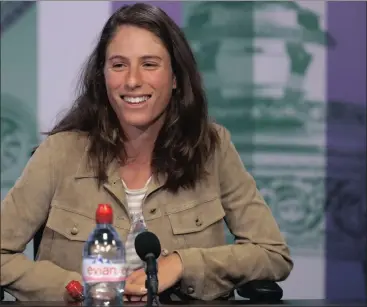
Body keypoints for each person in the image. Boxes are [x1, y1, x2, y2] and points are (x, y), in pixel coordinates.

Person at [0, 2, 293, 302]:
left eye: (149, 64)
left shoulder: (213, 149)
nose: (132, 80)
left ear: (176, 78)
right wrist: (76, 288)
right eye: (118, 65)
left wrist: (181, 264)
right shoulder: (58, 154)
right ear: (103, 77)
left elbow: (272, 254)